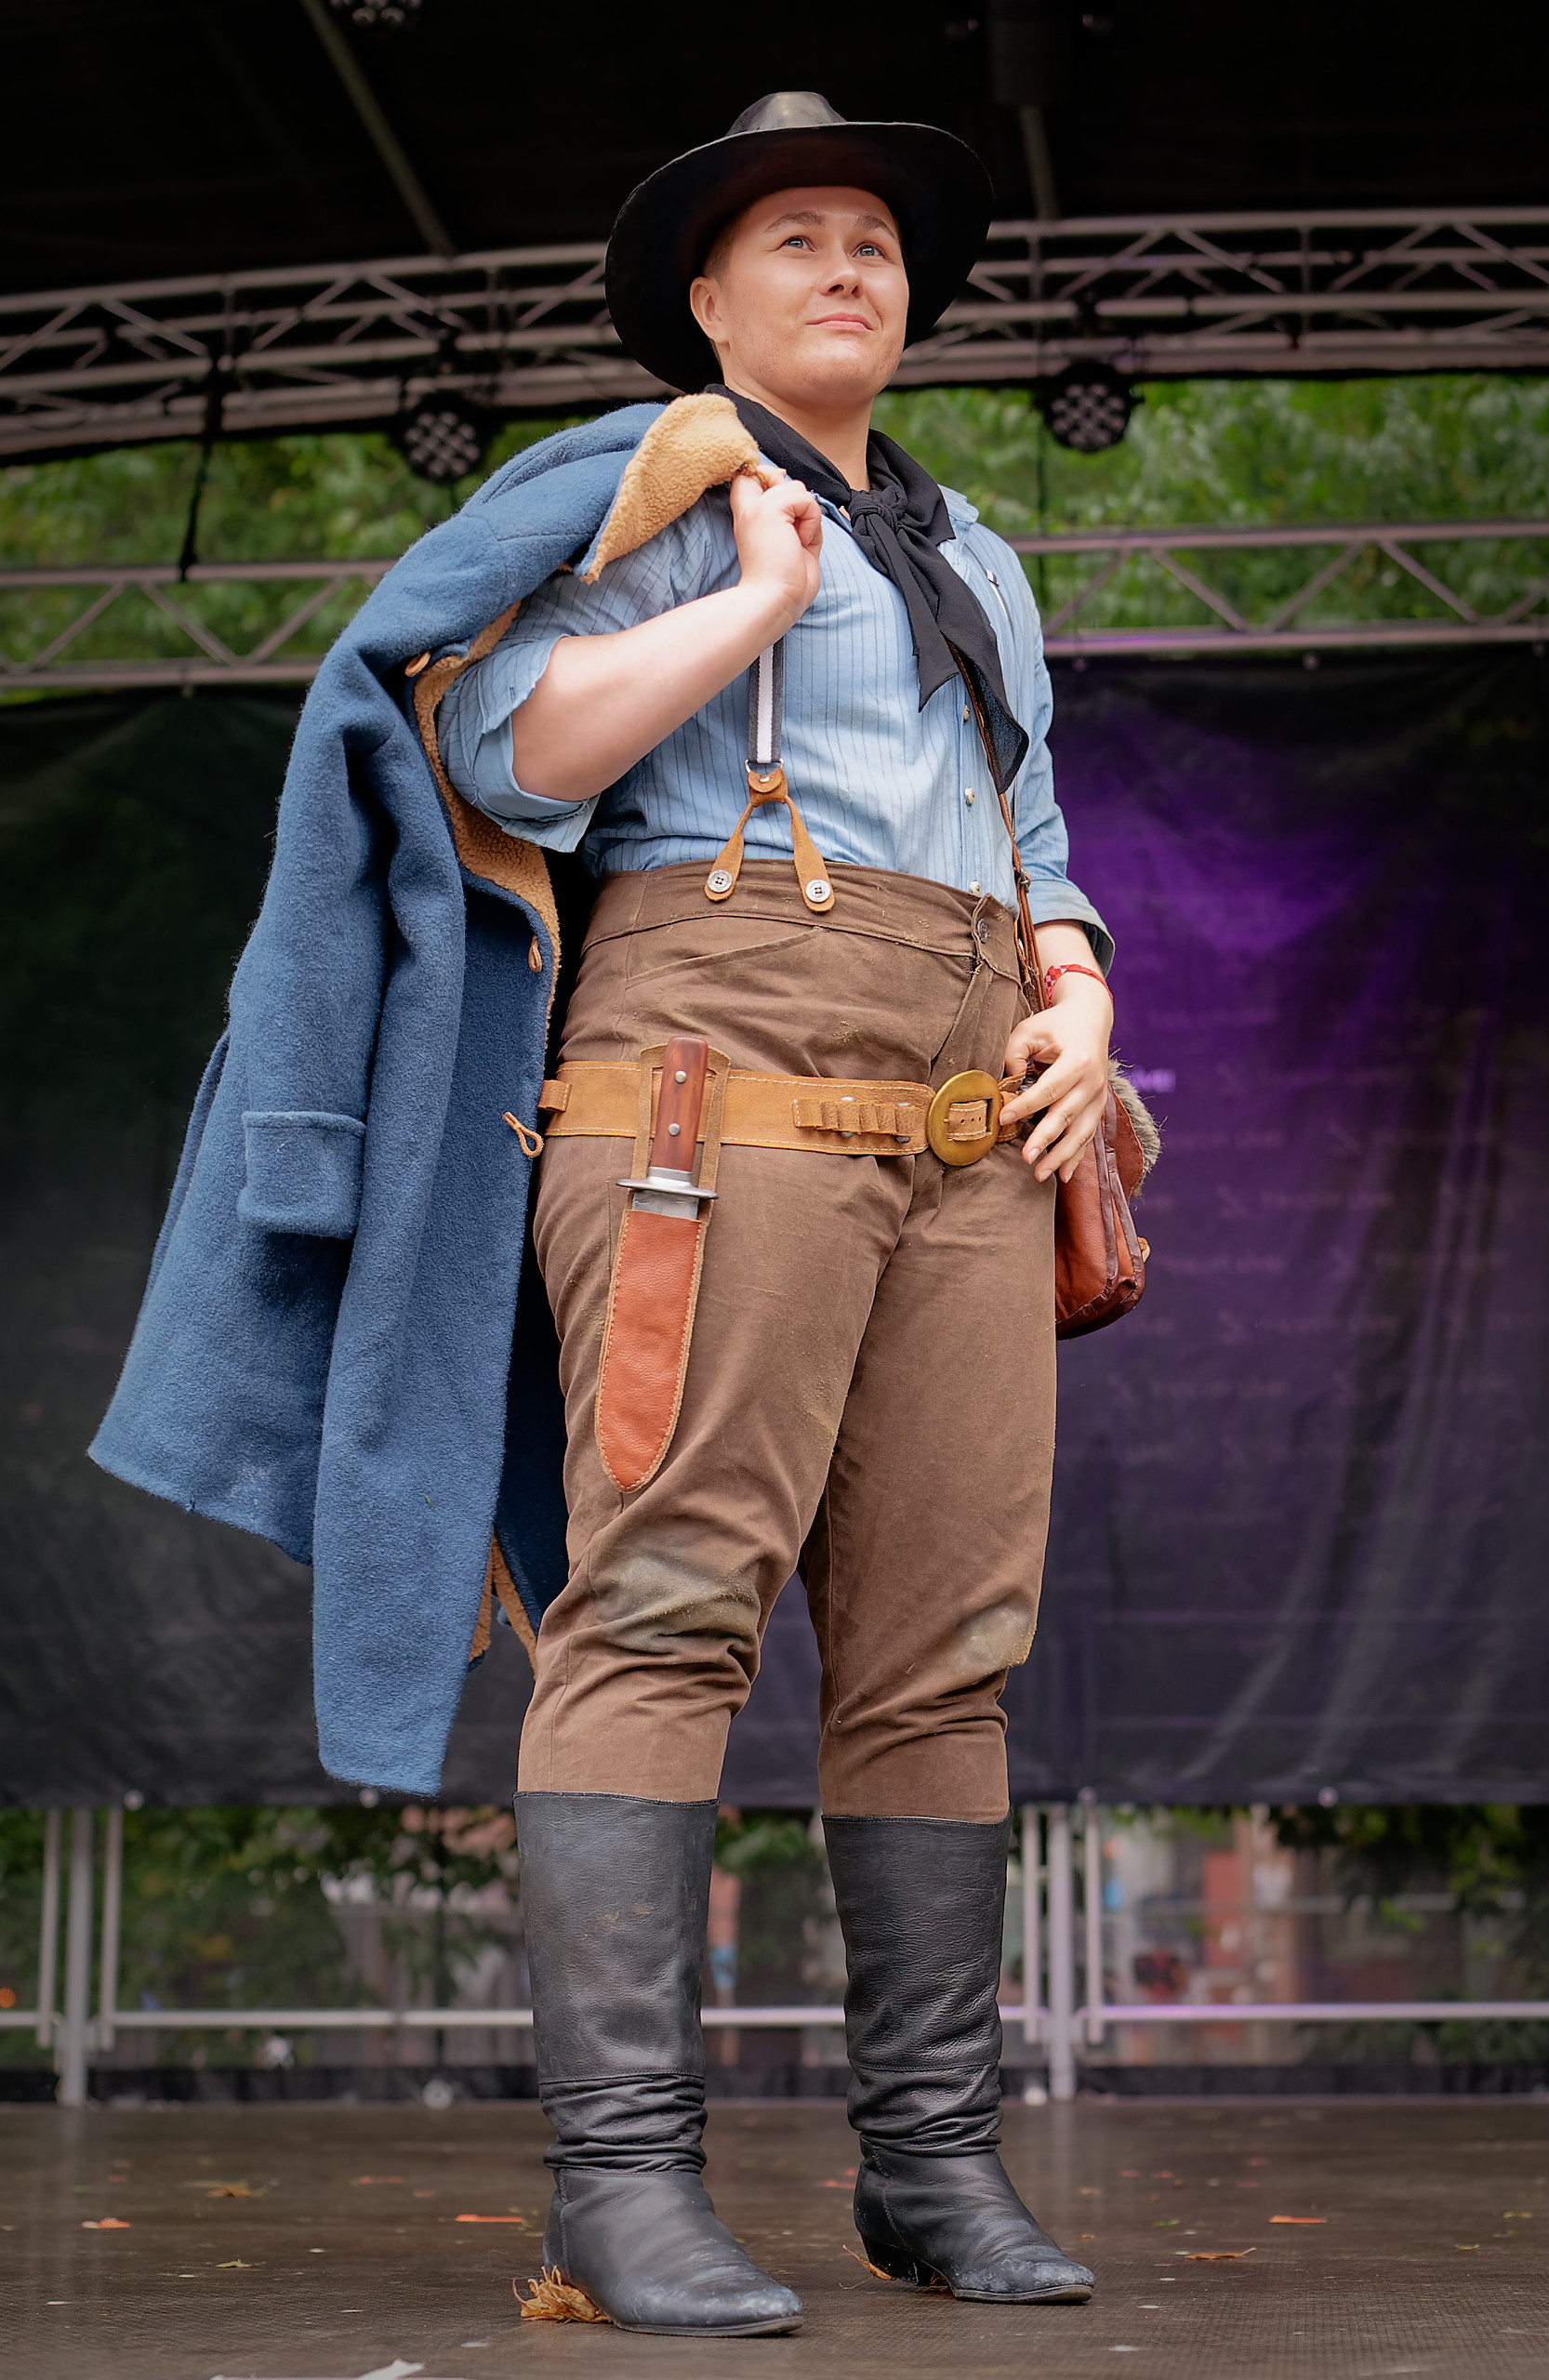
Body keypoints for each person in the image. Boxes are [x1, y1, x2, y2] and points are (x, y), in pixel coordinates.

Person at [433, 93, 1113, 2336]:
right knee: (657, 1612)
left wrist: (1084, 991)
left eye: (876, 243)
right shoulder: (638, 490)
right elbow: (503, 753)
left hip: (969, 1132)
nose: (848, 265)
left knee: (944, 1653)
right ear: (708, 301)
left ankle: (932, 2164)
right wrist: (750, 599)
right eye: (796, 236)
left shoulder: (976, 548)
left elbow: (1030, 830)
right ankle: (620, 2184)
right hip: (707, 1102)